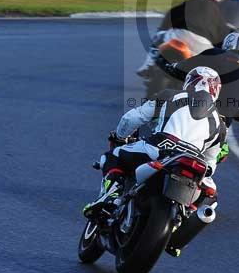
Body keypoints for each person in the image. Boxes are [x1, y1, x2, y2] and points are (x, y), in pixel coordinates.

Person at [84, 67, 226, 217]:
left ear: (190, 82)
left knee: (112, 156)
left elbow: (133, 118)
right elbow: (210, 163)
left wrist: (119, 136)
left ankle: (110, 198)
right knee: (209, 193)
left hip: (160, 147)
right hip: (194, 161)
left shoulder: (171, 95)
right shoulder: (221, 125)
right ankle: (183, 218)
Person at [159, 31, 239, 125]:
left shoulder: (214, 53)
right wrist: (232, 114)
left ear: (226, 44)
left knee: (160, 108)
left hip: (189, 112)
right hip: (220, 127)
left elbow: (179, 69)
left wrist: (167, 66)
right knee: (222, 147)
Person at [137, 0, 227, 79]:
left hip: (179, 35)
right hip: (203, 45)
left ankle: (148, 65)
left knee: (159, 36)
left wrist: (163, 29)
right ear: (217, 0)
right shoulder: (219, 12)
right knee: (210, 66)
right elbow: (222, 38)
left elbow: (171, 13)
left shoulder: (191, 2)